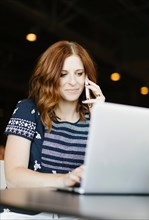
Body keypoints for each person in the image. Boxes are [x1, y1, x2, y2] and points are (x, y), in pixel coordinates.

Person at [0, 40, 105, 219]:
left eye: (79, 74)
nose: (73, 82)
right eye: (63, 74)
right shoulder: (28, 110)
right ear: (50, 76)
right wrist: (64, 180)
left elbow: (107, 176)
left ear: (87, 78)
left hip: (74, 213)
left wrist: (102, 118)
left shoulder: (94, 117)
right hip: (29, 213)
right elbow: (13, 177)